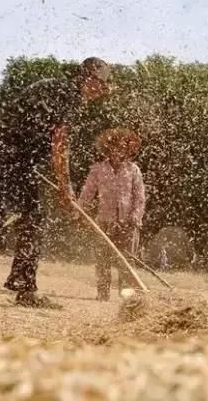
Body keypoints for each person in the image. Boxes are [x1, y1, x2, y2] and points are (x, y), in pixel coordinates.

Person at [0, 57, 112, 306]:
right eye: (102, 85)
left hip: (2, 155)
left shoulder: (54, 87)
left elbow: (25, 125)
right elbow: (60, 144)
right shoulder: (70, 96)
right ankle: (23, 285)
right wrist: (66, 188)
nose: (101, 92)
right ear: (89, 78)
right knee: (31, 218)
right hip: (13, 159)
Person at [78, 128, 146, 301]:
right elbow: (87, 193)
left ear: (128, 149)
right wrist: (79, 210)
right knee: (102, 260)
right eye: (114, 147)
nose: (118, 150)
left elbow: (139, 198)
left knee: (126, 261)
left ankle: (127, 296)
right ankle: (102, 294)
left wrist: (135, 216)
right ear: (108, 149)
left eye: (123, 147)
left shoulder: (133, 170)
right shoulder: (98, 170)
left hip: (128, 224)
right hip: (104, 222)